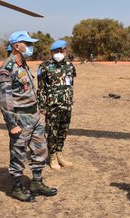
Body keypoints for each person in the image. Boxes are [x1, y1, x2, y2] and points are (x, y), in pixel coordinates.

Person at [0, 31, 57, 202]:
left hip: (34, 114)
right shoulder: (7, 69)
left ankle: (37, 182)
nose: (30, 47)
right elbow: (5, 99)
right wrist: (11, 123)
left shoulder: (23, 64)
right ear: (17, 46)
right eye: (27, 43)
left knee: (40, 150)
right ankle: (17, 187)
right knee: (18, 153)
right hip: (20, 118)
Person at [37, 40, 77, 170]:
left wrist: (70, 98)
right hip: (52, 106)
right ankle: (52, 157)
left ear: (65, 52)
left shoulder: (70, 66)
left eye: (62, 51)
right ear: (51, 52)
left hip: (66, 105)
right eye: (56, 51)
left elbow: (70, 85)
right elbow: (41, 88)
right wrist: (42, 106)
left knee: (63, 131)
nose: (59, 54)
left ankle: (59, 154)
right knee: (52, 132)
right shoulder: (44, 67)